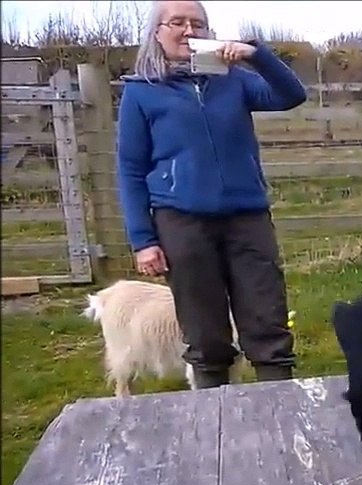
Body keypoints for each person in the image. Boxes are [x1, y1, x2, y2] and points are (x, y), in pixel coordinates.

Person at [116, 0, 309, 389]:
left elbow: (291, 95)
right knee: (204, 332)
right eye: (177, 23)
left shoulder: (234, 81)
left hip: (247, 217)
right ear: (157, 32)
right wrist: (143, 240)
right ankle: (213, 419)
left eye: (198, 24)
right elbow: (131, 169)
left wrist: (256, 55)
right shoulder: (141, 92)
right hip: (181, 220)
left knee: (267, 321)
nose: (189, 30)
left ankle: (281, 412)